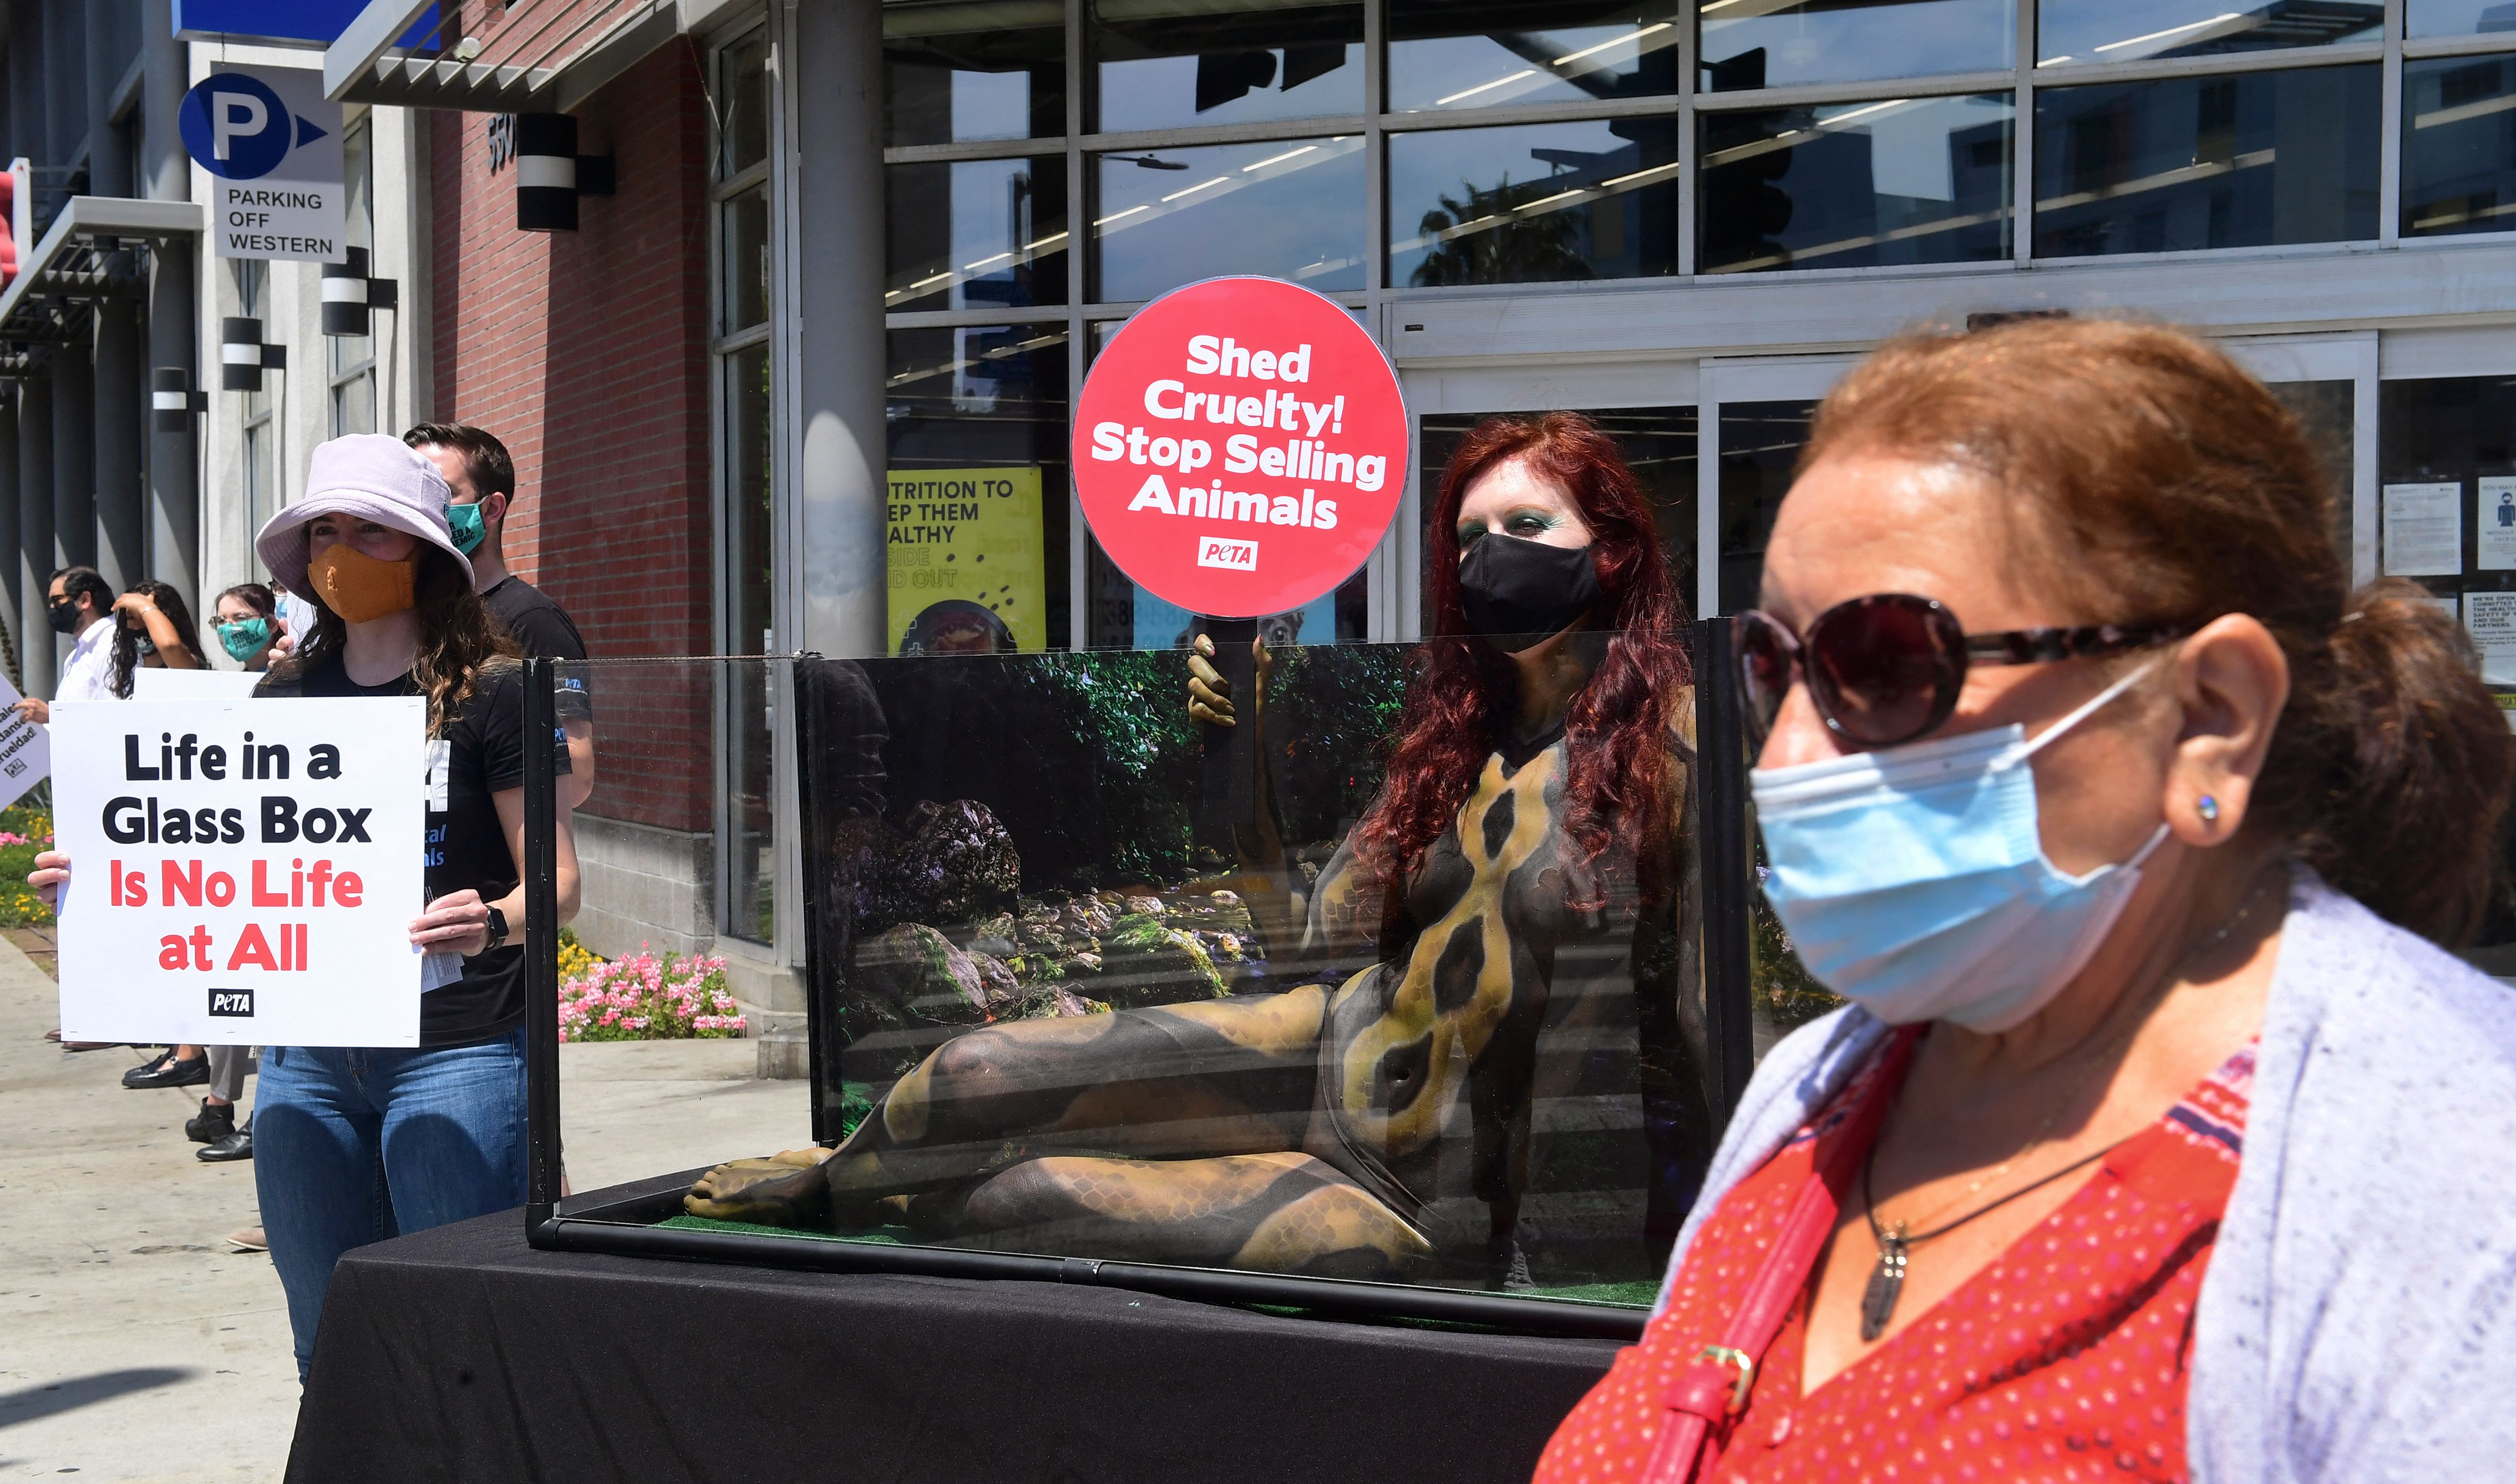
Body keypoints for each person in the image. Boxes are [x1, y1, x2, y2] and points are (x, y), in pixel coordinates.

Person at [1535, 319, 2516, 1482]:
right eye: (1773, 666)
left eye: (1888, 660)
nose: (1788, 754)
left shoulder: (2454, 1176)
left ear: (2210, 714)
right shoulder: (1815, 1087)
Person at [684, 413, 1710, 1283]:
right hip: (1319, 1046)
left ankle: (879, 1200)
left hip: (1419, 1188)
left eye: (1527, 526)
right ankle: (837, 1174)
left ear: (1611, 545)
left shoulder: (1674, 742)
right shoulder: (1456, 738)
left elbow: (1717, 1008)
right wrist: (1243, 749)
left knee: (1028, 1197)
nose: (1494, 556)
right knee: (974, 1066)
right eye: (1471, 535)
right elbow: (1310, 935)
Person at [32, 434, 582, 1379]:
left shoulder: (495, 693)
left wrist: (495, 920)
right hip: (305, 1063)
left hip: (457, 1050)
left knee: (467, 1351)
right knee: (326, 1353)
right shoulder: (281, 694)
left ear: (424, 550)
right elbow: (218, 847)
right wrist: (104, 881)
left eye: (369, 530)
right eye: (325, 530)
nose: (340, 551)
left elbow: (559, 883)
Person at [402, 422, 595, 809]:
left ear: (490, 508)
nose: (421, 508)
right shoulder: (400, 617)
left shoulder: (535, 620)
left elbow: (577, 773)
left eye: (442, 493)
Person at [14, 565, 118, 726]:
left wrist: (52, 717)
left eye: (57, 600)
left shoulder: (111, 645)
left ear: (85, 600)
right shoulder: (77, 654)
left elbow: (116, 716)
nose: (52, 608)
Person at [211, 582, 284, 671]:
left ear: (272, 624)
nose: (228, 627)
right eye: (221, 621)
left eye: (240, 618)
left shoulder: (286, 675)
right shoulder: (241, 679)